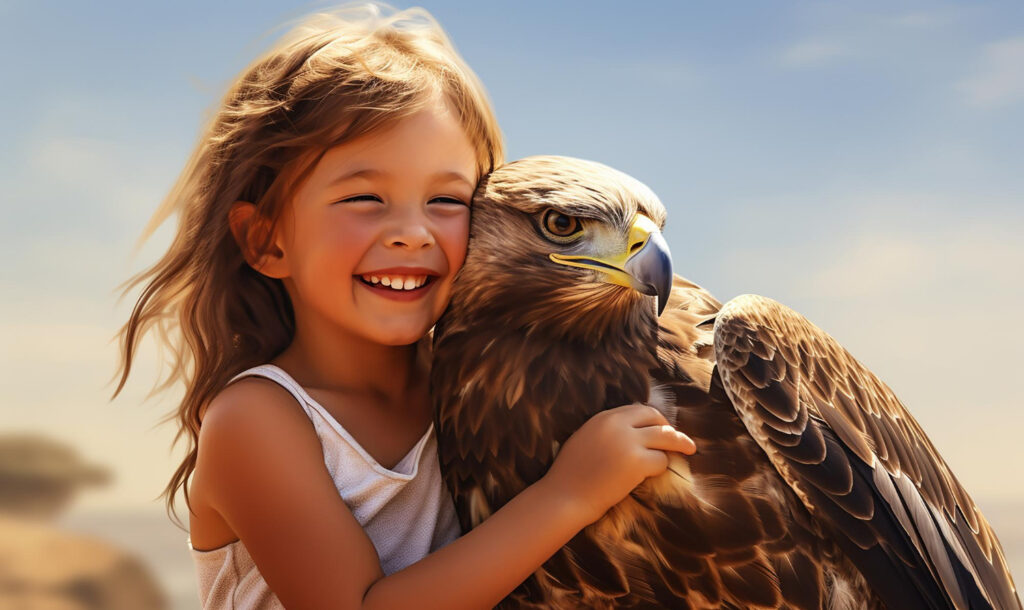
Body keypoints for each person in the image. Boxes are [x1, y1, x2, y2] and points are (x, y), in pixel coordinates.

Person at [112, 5, 696, 609]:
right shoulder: (257, 420)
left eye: (446, 199)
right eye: (365, 197)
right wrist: (569, 494)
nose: (412, 232)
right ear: (266, 239)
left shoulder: (470, 391)